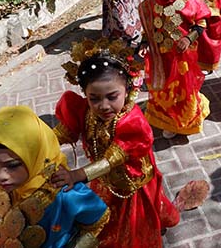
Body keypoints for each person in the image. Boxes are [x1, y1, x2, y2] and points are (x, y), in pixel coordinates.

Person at [51, 38, 181, 247]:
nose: (103, 106)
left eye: (112, 97)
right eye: (94, 98)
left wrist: (76, 175)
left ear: (127, 90)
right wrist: (33, 144)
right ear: (85, 94)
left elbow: (111, 160)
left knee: (132, 230)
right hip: (103, 181)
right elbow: (57, 135)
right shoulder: (83, 110)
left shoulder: (132, 122)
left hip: (130, 184)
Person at [0, 105, 109, 248]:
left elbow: (99, 220)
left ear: (35, 156)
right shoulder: (1, 189)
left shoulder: (63, 192)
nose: (0, 176)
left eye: (13, 165)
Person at [139, 0, 212, 138]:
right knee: (165, 90)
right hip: (161, 57)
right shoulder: (149, 5)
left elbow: (201, 23)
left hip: (184, 58)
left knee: (184, 89)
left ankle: (187, 120)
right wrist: (144, 43)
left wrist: (188, 39)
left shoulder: (190, 1)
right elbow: (148, 30)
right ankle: (169, 121)